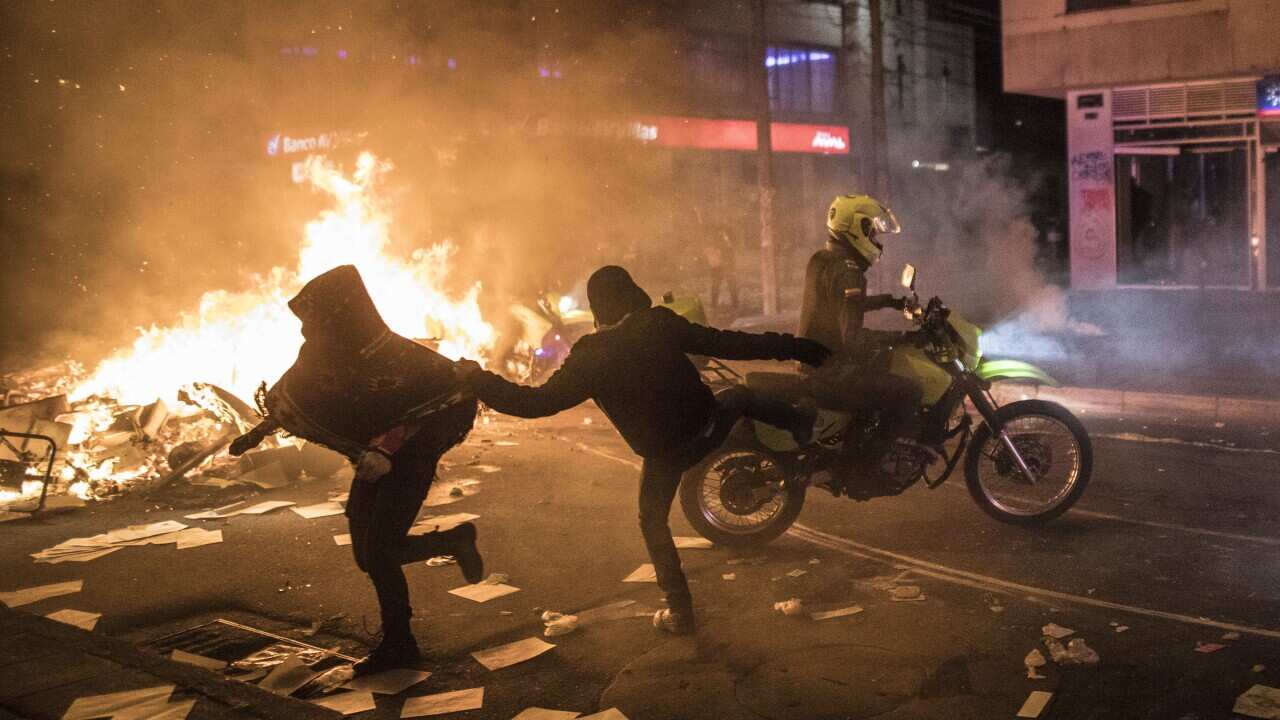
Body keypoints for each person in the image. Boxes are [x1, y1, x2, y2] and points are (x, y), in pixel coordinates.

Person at [457, 266, 829, 635]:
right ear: (631, 295)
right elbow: (733, 343)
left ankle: (680, 612)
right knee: (741, 395)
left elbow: (534, 403)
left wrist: (478, 379)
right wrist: (799, 347)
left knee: (652, 522)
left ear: (598, 310)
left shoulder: (589, 355)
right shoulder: (658, 323)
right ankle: (801, 428)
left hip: (665, 452)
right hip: (709, 428)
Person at [229, 265, 483, 675]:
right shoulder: (325, 352)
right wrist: (261, 430)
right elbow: (305, 392)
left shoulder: (396, 355)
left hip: (407, 457)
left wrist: (387, 447)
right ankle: (452, 542)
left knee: (380, 551)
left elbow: (431, 402)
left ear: (341, 315)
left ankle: (400, 643)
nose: (308, 331)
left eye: (316, 319)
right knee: (368, 555)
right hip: (370, 460)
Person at [798, 194, 923, 496]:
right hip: (832, 369)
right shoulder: (849, 270)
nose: (877, 238)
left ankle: (851, 456)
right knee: (908, 392)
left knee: (879, 375)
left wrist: (890, 302)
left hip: (814, 360)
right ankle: (860, 471)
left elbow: (842, 305)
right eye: (873, 231)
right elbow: (852, 340)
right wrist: (904, 339)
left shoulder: (825, 259)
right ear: (856, 228)